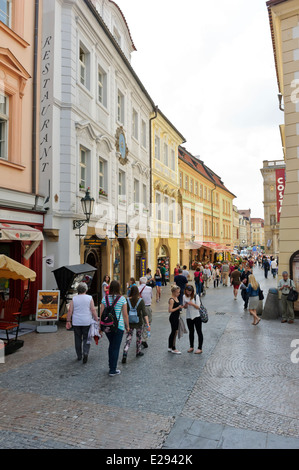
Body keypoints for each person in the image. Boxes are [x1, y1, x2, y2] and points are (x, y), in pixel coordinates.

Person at [100, 280, 129, 377]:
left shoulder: (104, 299)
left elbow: (101, 314)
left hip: (107, 325)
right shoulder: (122, 299)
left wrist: (100, 326)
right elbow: (125, 314)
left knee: (111, 345)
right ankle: (112, 369)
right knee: (115, 347)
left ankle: (111, 366)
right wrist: (127, 326)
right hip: (118, 326)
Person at [66, 282, 98, 364]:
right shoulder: (89, 298)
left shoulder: (74, 299)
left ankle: (79, 355)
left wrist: (68, 320)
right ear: (86, 290)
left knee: (77, 338)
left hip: (76, 321)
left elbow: (70, 310)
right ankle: (86, 352)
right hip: (86, 321)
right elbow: (93, 309)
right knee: (86, 338)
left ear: (78, 290)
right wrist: (96, 318)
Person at [122, 285, 150, 364]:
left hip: (129, 323)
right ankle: (138, 352)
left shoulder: (126, 300)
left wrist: (126, 324)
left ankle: (125, 352)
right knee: (139, 338)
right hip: (139, 322)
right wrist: (147, 324)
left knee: (128, 338)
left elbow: (125, 314)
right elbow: (144, 313)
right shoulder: (140, 301)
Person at [183, 285, 203, 354]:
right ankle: (191, 346)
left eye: (190, 291)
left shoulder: (196, 296)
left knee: (199, 332)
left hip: (197, 316)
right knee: (191, 332)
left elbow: (198, 307)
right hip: (188, 317)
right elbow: (185, 307)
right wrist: (185, 305)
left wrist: (192, 304)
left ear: (192, 291)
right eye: (187, 291)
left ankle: (200, 348)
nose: (188, 292)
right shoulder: (184, 296)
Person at [139, 277, 153, 349]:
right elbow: (151, 297)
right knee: (148, 323)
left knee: (141, 323)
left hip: (140, 308)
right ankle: (144, 338)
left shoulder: (137, 288)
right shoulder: (150, 288)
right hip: (147, 307)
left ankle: (140, 338)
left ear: (140, 282)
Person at [168, 285, 183, 354]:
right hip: (173, 317)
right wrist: (178, 307)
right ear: (173, 292)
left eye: (179, 292)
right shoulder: (172, 299)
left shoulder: (176, 298)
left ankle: (170, 346)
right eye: (177, 292)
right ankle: (173, 348)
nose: (179, 293)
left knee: (174, 332)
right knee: (174, 332)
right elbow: (170, 310)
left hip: (176, 316)